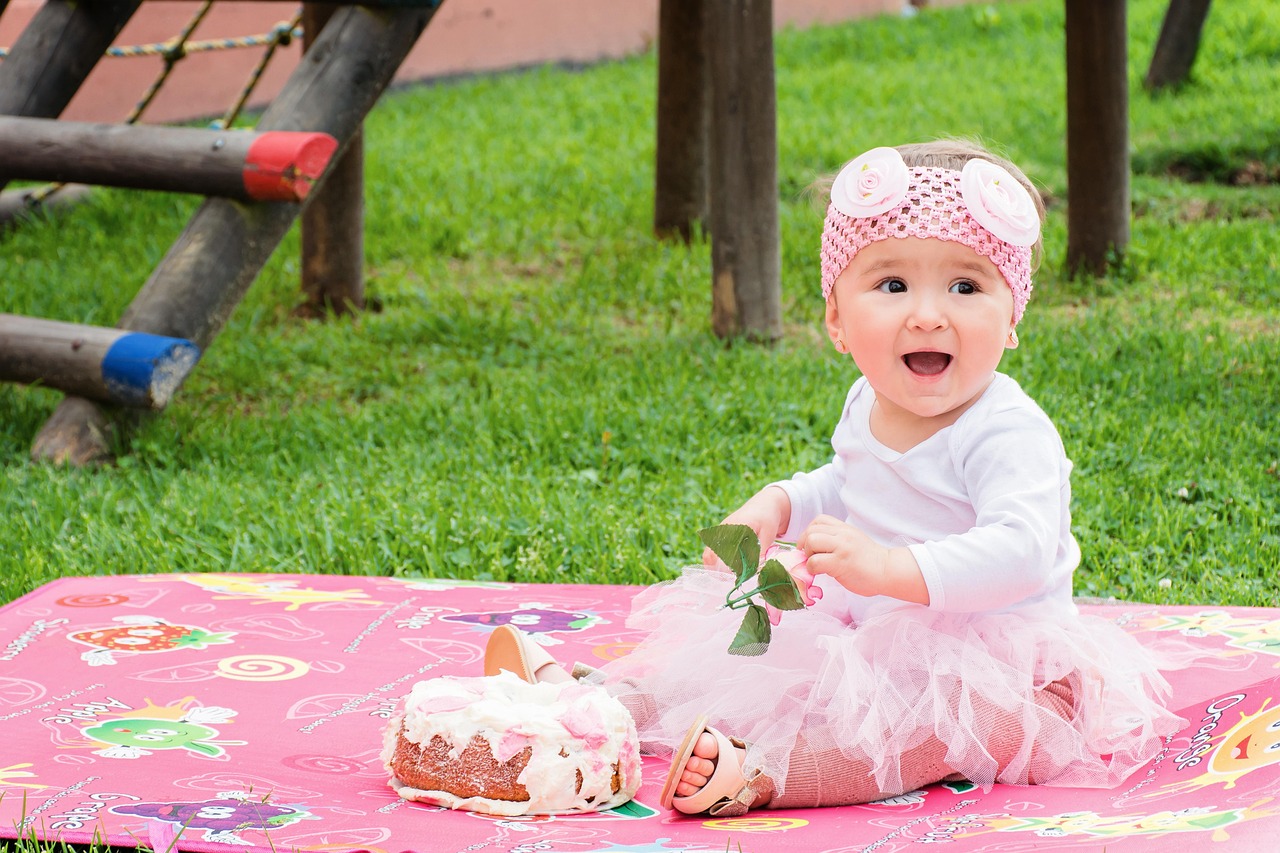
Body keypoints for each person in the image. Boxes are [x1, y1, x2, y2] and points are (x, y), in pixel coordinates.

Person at [484, 140, 1185, 816]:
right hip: (875, 630)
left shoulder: (1007, 429)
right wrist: (782, 502)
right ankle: (598, 705)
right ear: (837, 320)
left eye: (966, 285)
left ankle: (762, 774)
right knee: (747, 649)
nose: (928, 312)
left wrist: (890, 565)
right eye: (891, 284)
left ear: (1011, 318)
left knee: (934, 731)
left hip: (1006, 668)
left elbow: (1020, 549)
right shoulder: (866, 402)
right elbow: (850, 479)